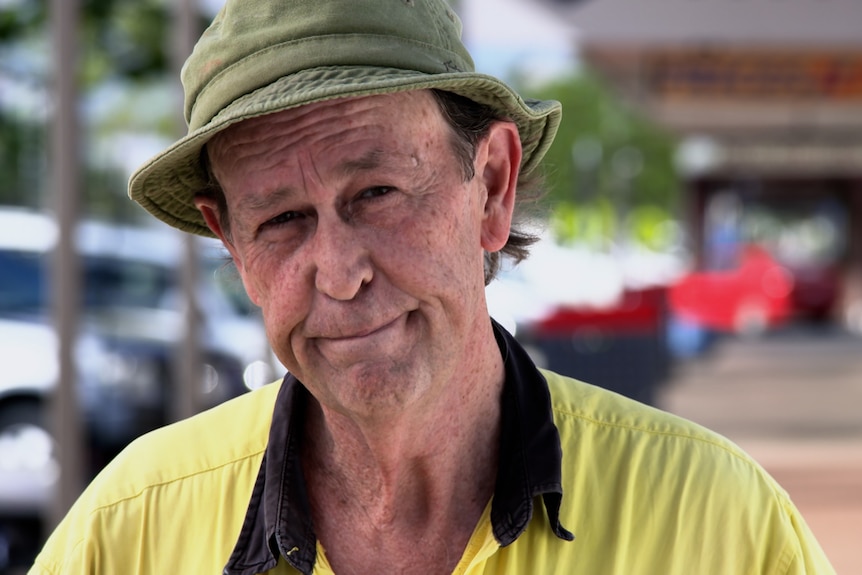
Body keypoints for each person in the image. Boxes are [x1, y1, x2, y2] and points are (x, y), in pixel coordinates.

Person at [30, 0, 835, 573]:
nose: (340, 272)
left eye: (376, 193)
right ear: (230, 241)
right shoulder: (128, 531)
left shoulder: (716, 524)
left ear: (491, 185)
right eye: (280, 221)